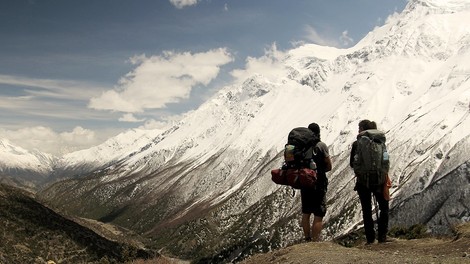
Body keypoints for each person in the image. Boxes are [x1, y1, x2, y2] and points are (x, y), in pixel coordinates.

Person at [350, 119, 389, 244]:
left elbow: (352, 163)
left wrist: (360, 171)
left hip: (363, 181)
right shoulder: (380, 141)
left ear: (362, 129)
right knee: (384, 207)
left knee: (366, 210)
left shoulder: (357, 144)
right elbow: (386, 159)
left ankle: (370, 238)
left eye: (359, 128)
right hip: (379, 179)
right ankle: (382, 236)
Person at [301, 122, 332, 242]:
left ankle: (307, 238)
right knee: (318, 213)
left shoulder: (302, 147)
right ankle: (315, 240)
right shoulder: (321, 146)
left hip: (304, 183)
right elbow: (329, 165)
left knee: (306, 212)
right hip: (318, 182)